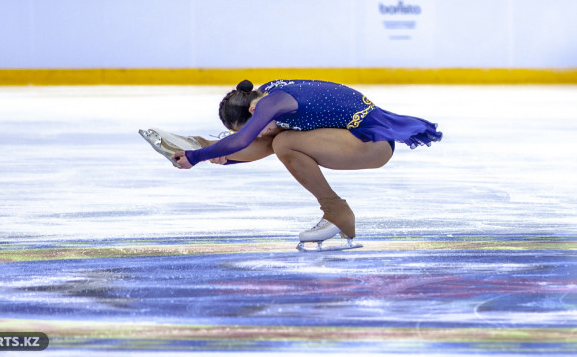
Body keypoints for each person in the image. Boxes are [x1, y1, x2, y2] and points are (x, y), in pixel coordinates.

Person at [171, 79, 442, 248]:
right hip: (354, 139)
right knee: (278, 139)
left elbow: (244, 139)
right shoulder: (267, 95)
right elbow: (251, 141)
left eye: (256, 127)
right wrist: (223, 158)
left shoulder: (272, 104)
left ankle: (336, 211)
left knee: (283, 142)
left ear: (253, 111)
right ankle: (206, 144)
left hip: (372, 144)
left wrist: (195, 158)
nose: (259, 131)